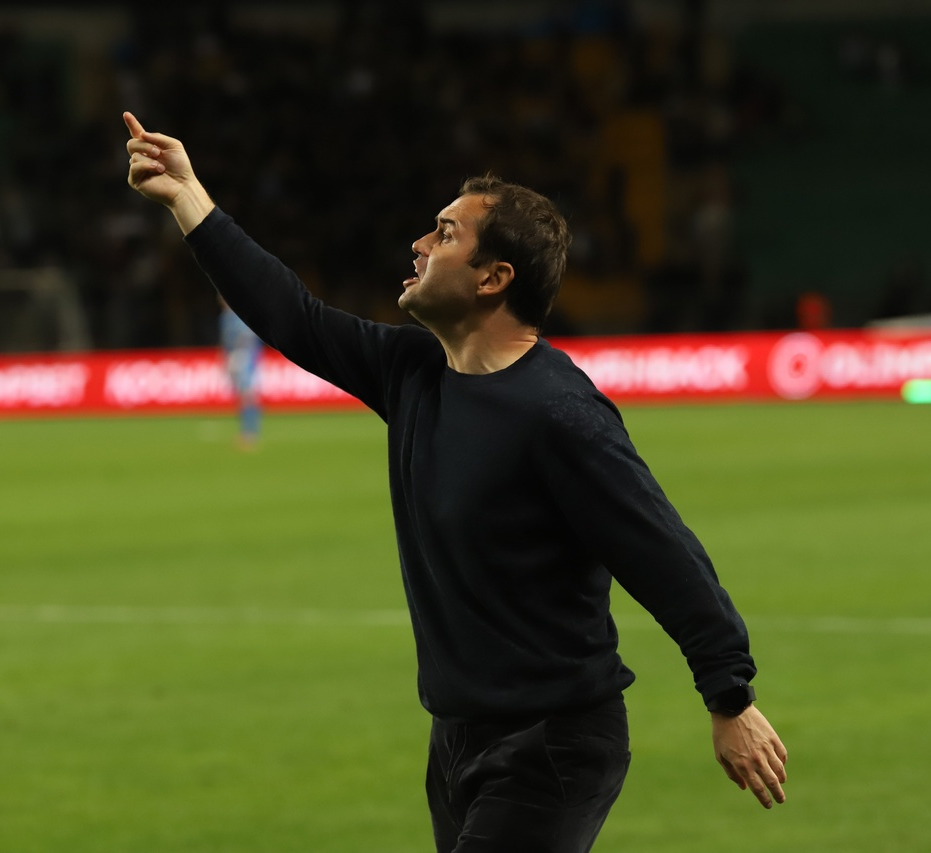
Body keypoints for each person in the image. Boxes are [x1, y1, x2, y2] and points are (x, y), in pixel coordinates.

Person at [123, 111, 787, 852]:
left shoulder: (560, 414)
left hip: (553, 745)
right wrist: (188, 197)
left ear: (493, 278)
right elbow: (293, 316)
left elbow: (661, 550)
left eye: (443, 234)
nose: (417, 244)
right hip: (456, 738)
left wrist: (730, 697)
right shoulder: (412, 373)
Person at [218, 295, 263, 448]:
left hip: (244, 358)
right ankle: (246, 431)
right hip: (234, 358)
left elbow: (250, 340)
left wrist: (249, 360)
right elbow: (225, 342)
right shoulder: (225, 317)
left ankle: (250, 433)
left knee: (247, 396)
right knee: (241, 397)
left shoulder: (241, 315)